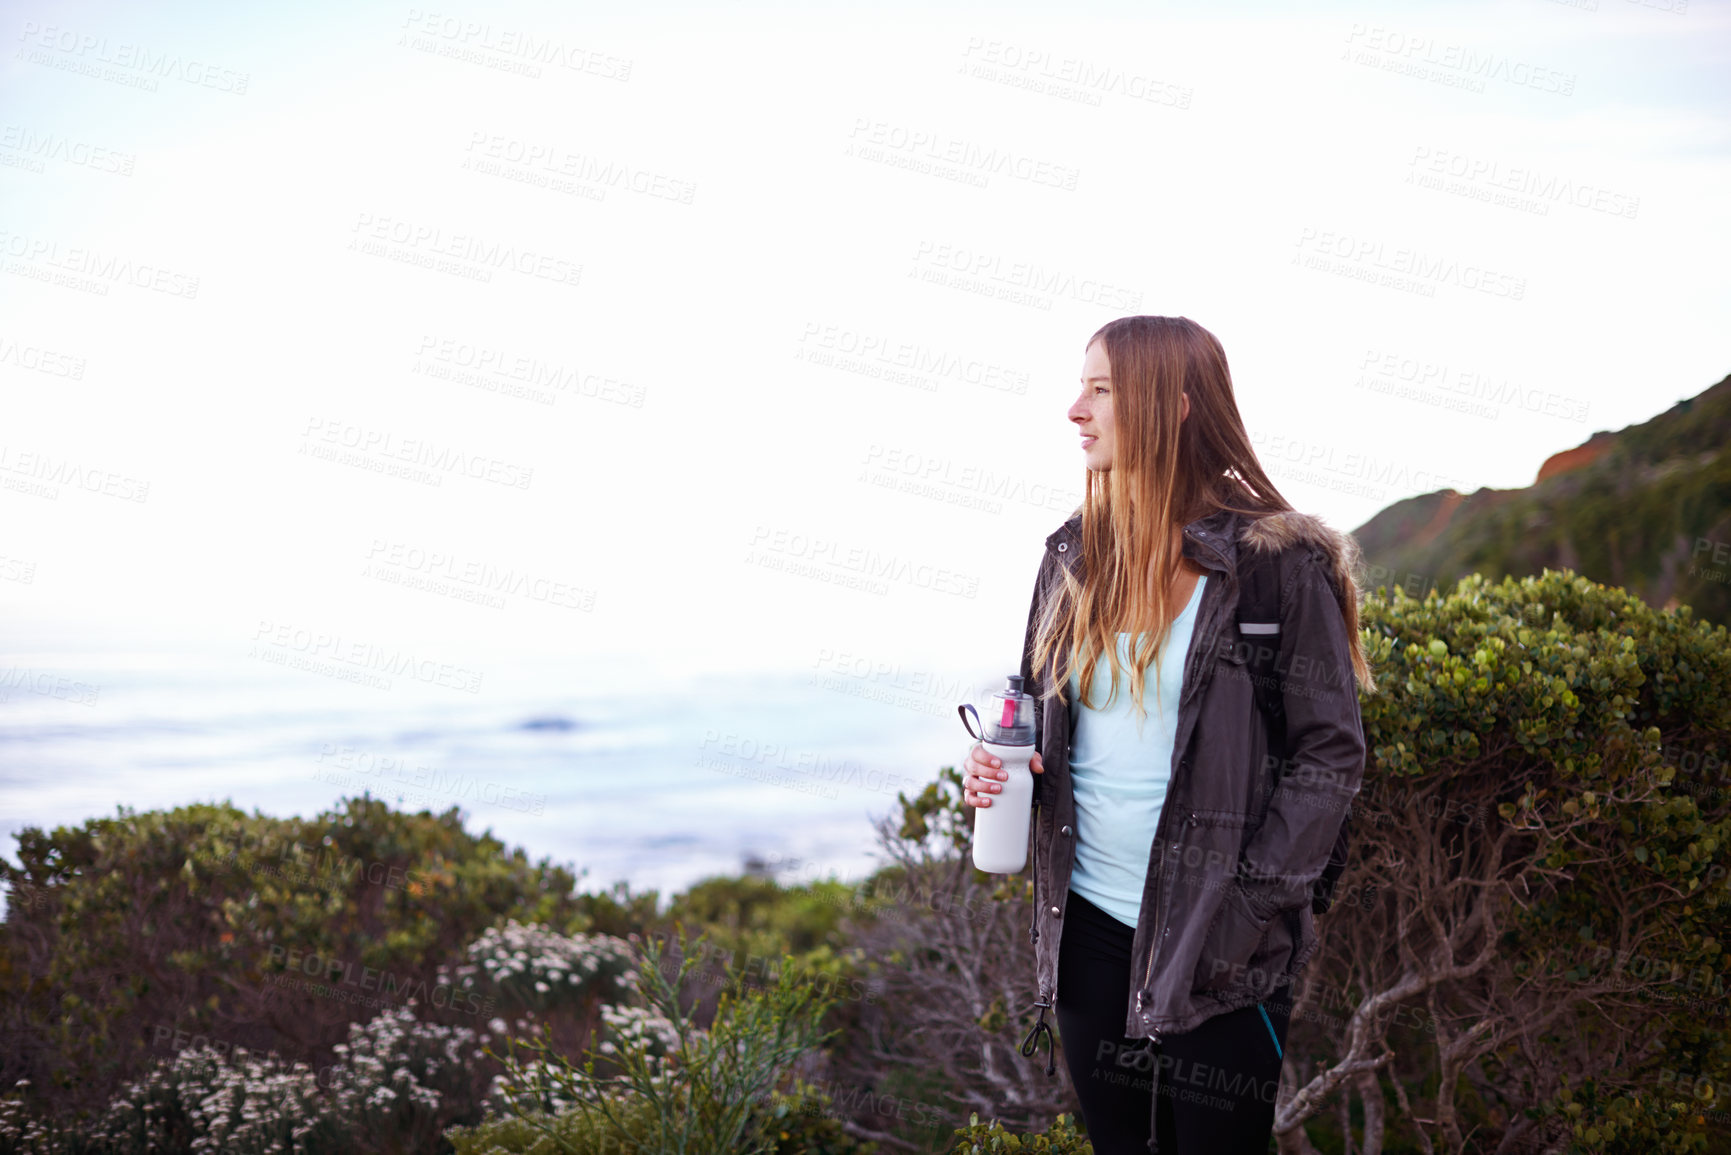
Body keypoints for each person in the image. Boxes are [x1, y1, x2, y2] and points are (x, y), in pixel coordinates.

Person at [962, 316, 1375, 1155]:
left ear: (1175, 405)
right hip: (1086, 928)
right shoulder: (1073, 555)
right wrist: (1004, 768)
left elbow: (1330, 754)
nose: (1074, 409)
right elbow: (1051, 723)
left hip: (1220, 943)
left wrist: (1250, 906)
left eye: (1101, 389)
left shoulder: (1274, 566)